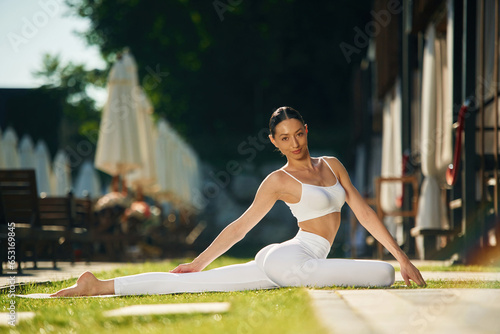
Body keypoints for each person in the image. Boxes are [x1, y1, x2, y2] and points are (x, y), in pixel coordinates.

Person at [51, 106, 425, 297]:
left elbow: (363, 211)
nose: (294, 143)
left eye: (298, 134)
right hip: (288, 260)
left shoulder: (332, 165)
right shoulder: (278, 180)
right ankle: (99, 285)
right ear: (274, 141)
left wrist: (402, 257)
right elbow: (242, 226)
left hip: (294, 257)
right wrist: (198, 262)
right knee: (380, 276)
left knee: (389, 271)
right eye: (284, 137)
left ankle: (97, 286)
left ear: (306, 131)